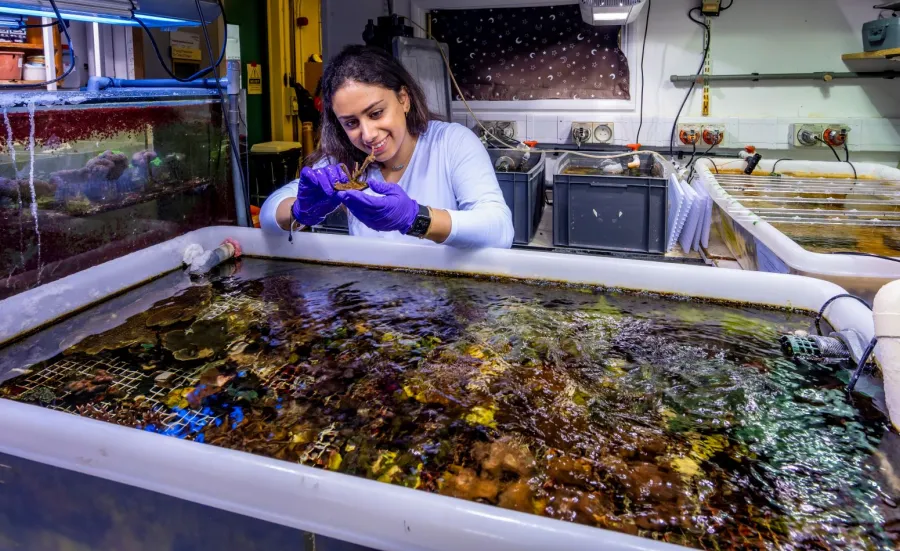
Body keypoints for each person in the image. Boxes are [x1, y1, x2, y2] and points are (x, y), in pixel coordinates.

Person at [260, 45, 514, 248]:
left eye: (376, 113)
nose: (368, 135)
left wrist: (417, 218)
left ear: (403, 99)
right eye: (351, 123)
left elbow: (500, 230)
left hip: (446, 300)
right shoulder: (345, 163)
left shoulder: (451, 143)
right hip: (375, 304)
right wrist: (300, 211)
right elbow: (268, 216)